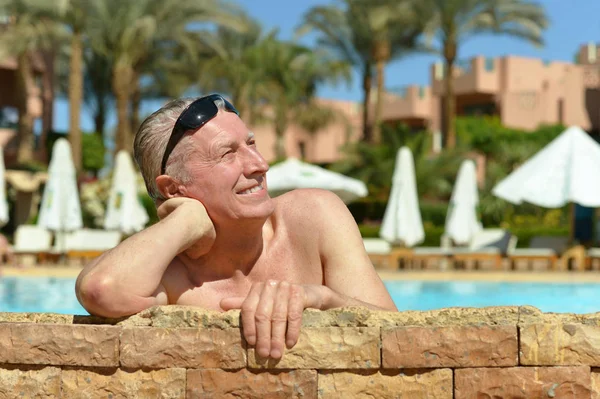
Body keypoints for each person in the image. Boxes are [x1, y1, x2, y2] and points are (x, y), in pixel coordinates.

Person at [75, 94, 397, 359]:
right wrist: (186, 221)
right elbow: (100, 289)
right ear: (174, 189)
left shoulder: (314, 217)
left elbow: (402, 335)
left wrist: (322, 299)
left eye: (251, 144)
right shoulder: (172, 277)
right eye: (228, 154)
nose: (260, 164)